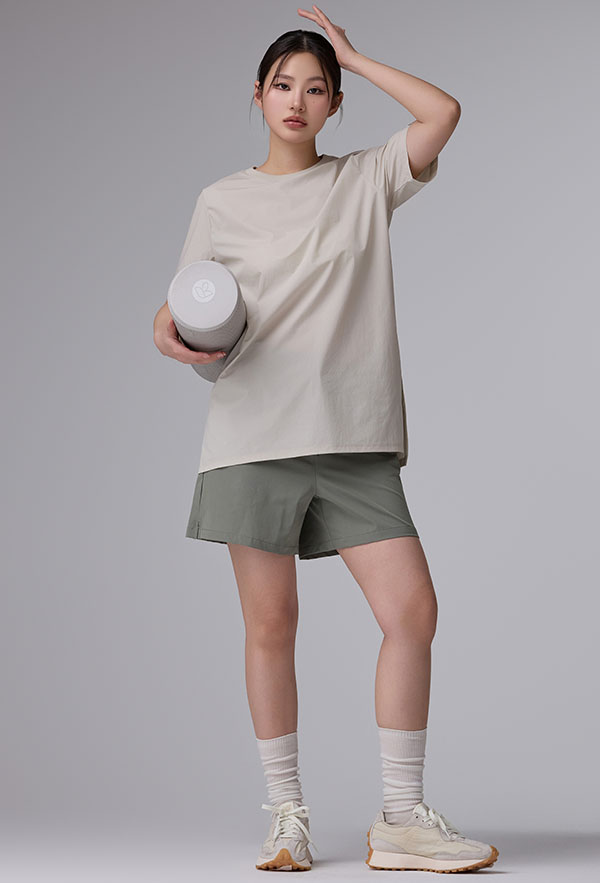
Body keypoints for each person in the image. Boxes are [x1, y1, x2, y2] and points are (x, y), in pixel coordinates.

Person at [153, 4, 499, 874]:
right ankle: (286, 817)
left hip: (352, 435)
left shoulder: (367, 179)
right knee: (271, 625)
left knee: (411, 612)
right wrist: (169, 330)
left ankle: (401, 818)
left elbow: (443, 112)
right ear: (258, 95)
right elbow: (183, 304)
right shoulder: (221, 200)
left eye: (317, 88)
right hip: (253, 431)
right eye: (283, 85)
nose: (297, 101)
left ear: (337, 104)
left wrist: (354, 53)